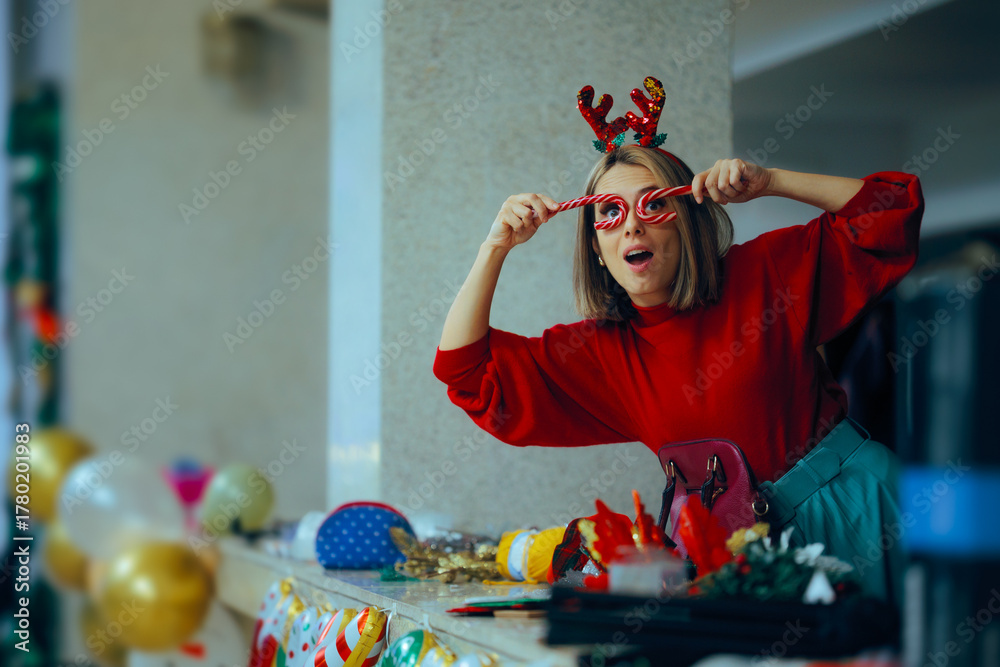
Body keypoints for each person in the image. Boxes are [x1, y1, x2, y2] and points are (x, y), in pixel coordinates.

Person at [432, 81, 924, 606]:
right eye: (610, 214)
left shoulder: (764, 274)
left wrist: (771, 180)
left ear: (687, 220)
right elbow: (468, 375)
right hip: (740, 559)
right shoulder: (602, 353)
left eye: (653, 205)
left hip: (860, 513)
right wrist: (495, 247)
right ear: (596, 247)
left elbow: (893, 212)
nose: (632, 227)